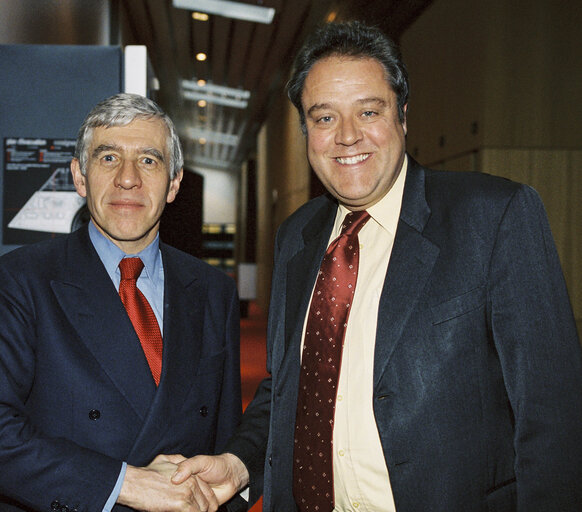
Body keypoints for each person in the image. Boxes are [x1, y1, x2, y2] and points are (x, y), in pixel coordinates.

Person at [171, 21, 582, 511]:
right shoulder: (297, 237)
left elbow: (555, 418)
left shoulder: (493, 217)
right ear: (307, 130)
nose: (347, 136)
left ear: (402, 117)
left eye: (369, 111)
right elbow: (289, 387)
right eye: (324, 119)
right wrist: (240, 463)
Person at [0, 93, 243, 512]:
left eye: (149, 160)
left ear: (174, 183)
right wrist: (125, 483)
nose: (127, 179)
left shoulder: (214, 291)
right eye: (108, 158)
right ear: (79, 177)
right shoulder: (18, 282)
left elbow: (224, 442)